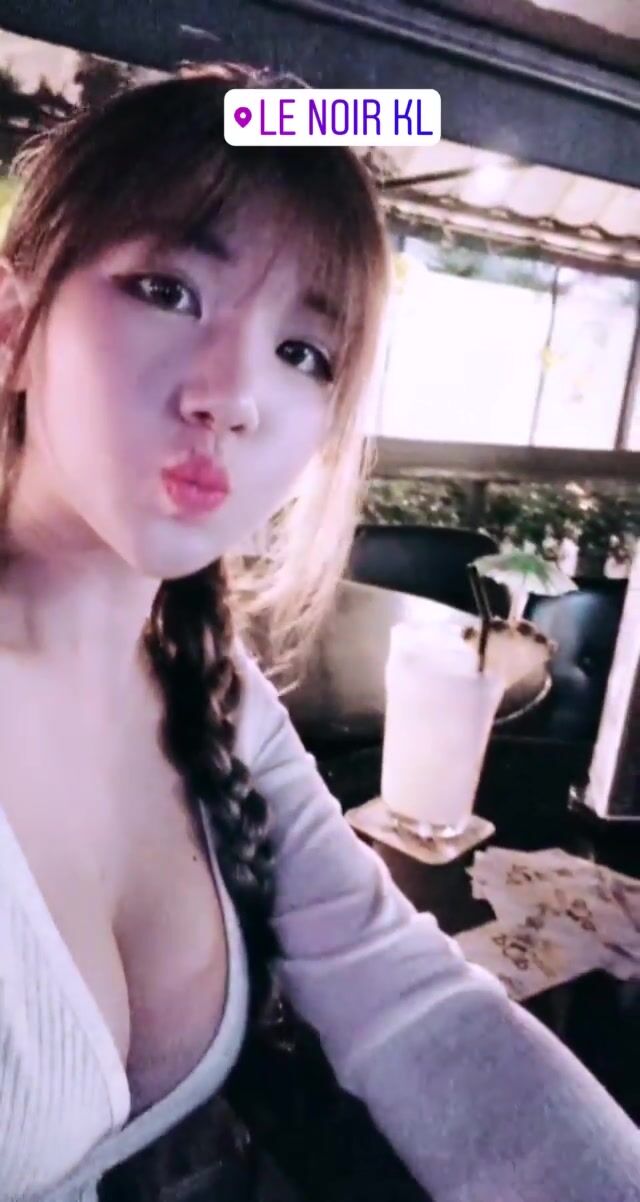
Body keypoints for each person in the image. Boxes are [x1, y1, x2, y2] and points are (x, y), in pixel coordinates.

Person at [0, 60, 637, 1202]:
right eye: (167, 290)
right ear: (12, 322)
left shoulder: (212, 689)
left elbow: (411, 998)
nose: (234, 394)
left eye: (304, 353)